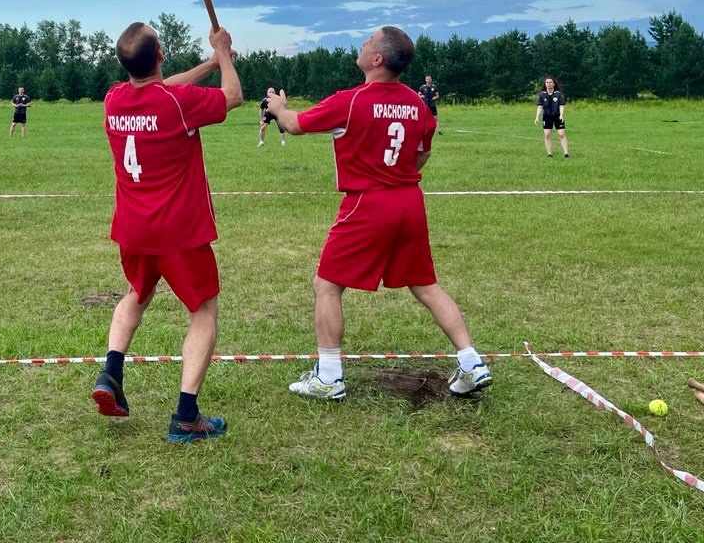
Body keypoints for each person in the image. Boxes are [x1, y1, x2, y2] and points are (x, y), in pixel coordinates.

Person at [266, 26, 492, 401]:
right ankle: (472, 362)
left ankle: (329, 377)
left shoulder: (351, 100)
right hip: (409, 201)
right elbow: (423, 152)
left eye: (369, 41)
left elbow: (294, 124)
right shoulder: (418, 104)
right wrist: (396, 173)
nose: (363, 43)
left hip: (367, 203)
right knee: (426, 285)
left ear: (377, 59)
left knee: (327, 285)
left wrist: (278, 107)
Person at [93, 22, 242, 443]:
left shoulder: (114, 99)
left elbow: (161, 88)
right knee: (204, 311)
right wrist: (224, 53)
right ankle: (186, 417)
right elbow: (233, 96)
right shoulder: (178, 103)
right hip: (179, 233)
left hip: (133, 229)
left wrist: (210, 62)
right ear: (160, 54)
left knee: (136, 294)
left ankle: (111, 372)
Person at [536, 76, 570, 158]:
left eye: (550, 82)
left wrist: (561, 115)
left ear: (554, 84)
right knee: (547, 135)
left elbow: (561, 105)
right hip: (547, 116)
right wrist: (537, 117)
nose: (549, 84)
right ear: (545, 84)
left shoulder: (558, 94)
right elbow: (540, 106)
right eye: (547, 82)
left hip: (557, 116)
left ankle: (566, 154)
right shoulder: (542, 95)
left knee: (561, 134)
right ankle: (549, 154)